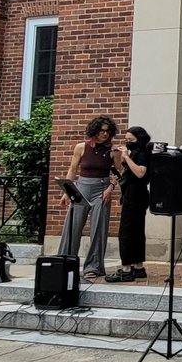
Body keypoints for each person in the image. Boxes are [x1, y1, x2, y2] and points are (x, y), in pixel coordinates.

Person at [58, 116, 119, 279]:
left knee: (99, 227)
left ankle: (93, 266)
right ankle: (65, 261)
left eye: (107, 131)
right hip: (82, 187)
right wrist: (66, 191)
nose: (104, 134)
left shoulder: (113, 150)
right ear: (94, 131)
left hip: (102, 189)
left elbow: (119, 174)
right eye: (101, 131)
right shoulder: (81, 147)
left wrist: (111, 188)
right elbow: (72, 169)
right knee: (73, 225)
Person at [107, 126, 151, 283]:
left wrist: (127, 157)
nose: (128, 142)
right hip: (131, 193)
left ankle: (126, 269)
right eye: (126, 140)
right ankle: (138, 267)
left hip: (136, 195)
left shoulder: (144, 154)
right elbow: (123, 172)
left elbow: (140, 173)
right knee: (136, 232)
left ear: (139, 139)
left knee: (126, 232)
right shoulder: (136, 153)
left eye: (131, 140)